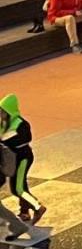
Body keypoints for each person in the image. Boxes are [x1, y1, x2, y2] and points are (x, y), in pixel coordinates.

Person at [0, 94, 43, 227]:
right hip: (12, 158)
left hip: (23, 158)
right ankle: (24, 211)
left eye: (2, 111)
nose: (0, 113)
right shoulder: (4, 124)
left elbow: (23, 140)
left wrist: (5, 141)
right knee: (19, 185)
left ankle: (37, 207)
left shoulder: (21, 124)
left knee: (18, 188)